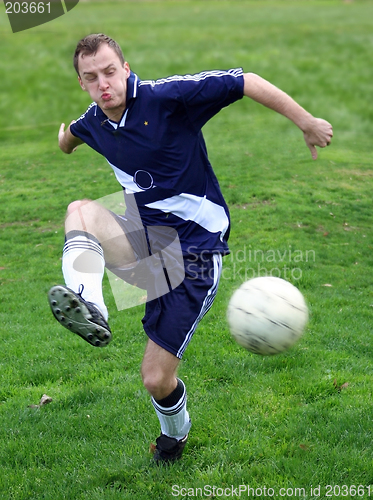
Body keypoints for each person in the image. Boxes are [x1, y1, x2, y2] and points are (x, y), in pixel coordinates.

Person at [48, 33, 333, 464]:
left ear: (125, 69)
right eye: (91, 77)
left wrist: (307, 121)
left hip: (194, 253)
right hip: (146, 243)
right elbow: (72, 137)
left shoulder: (169, 98)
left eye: (110, 71)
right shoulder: (94, 120)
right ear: (83, 83)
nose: (104, 83)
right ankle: (91, 307)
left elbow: (245, 81)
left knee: (156, 380)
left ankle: (174, 436)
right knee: (79, 211)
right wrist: (65, 139)